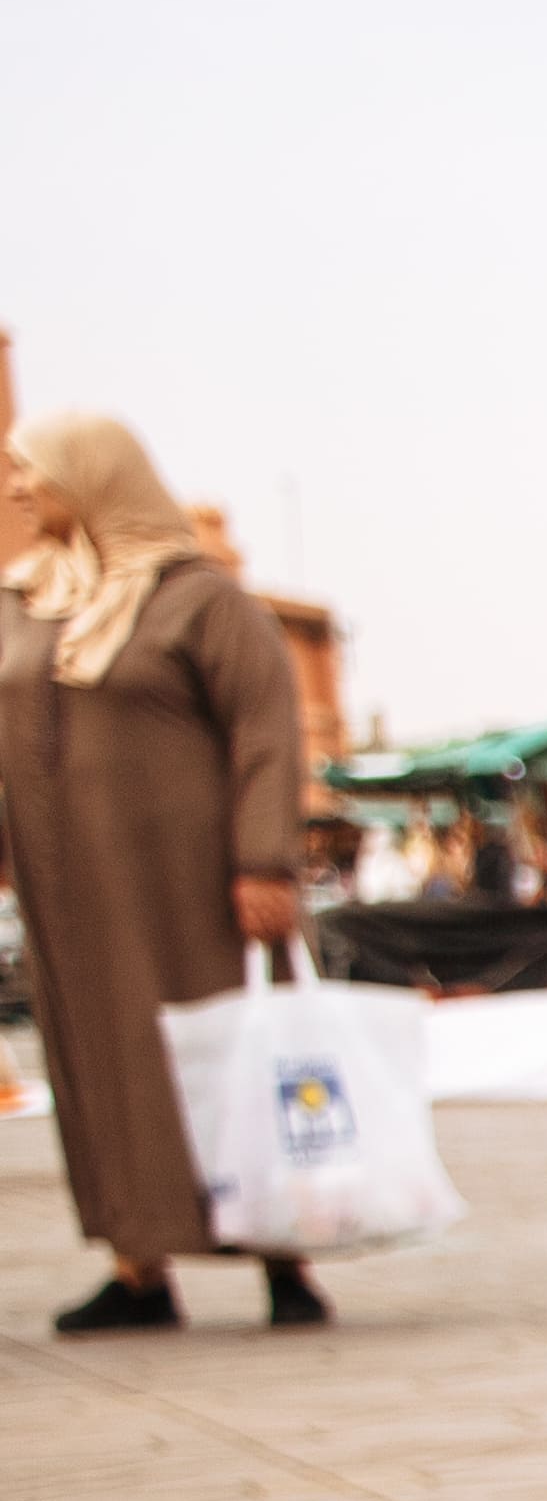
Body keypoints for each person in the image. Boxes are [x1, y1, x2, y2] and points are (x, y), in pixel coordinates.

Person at [0, 416, 330, 1336]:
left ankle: (283, 1258)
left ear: (92, 476)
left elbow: (267, 732)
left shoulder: (197, 602)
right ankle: (137, 1266)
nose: (19, 489)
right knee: (102, 1068)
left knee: (231, 1056)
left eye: (31, 471)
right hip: (71, 895)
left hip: (194, 890)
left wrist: (263, 862)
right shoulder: (24, 602)